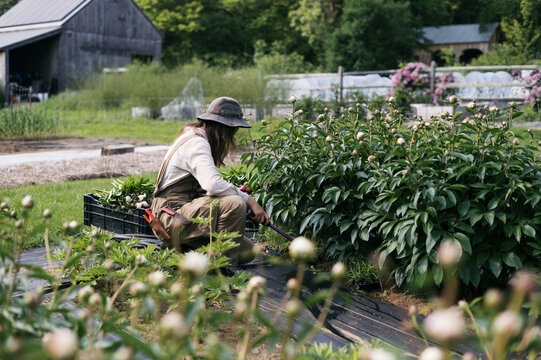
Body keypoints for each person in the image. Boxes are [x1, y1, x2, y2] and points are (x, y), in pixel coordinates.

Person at [150, 96, 269, 265]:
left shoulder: (194, 134)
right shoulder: (197, 142)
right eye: (232, 131)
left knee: (246, 252)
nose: (232, 136)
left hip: (181, 212)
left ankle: (183, 254)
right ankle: (220, 274)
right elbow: (212, 185)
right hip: (172, 215)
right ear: (223, 128)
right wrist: (250, 201)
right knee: (235, 204)